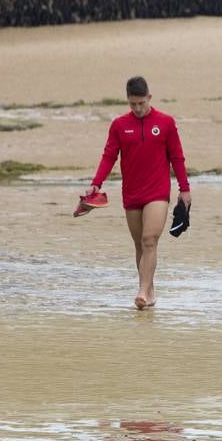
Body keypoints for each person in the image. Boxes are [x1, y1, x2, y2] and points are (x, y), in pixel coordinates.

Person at [87, 76, 191, 309]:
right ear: (128, 100)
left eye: (141, 103)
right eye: (133, 104)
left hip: (157, 192)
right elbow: (109, 156)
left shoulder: (165, 123)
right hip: (132, 193)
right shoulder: (119, 125)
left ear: (149, 98)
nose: (137, 108)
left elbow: (177, 157)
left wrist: (184, 189)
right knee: (139, 245)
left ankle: (142, 291)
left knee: (149, 240)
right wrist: (96, 183)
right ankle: (150, 290)